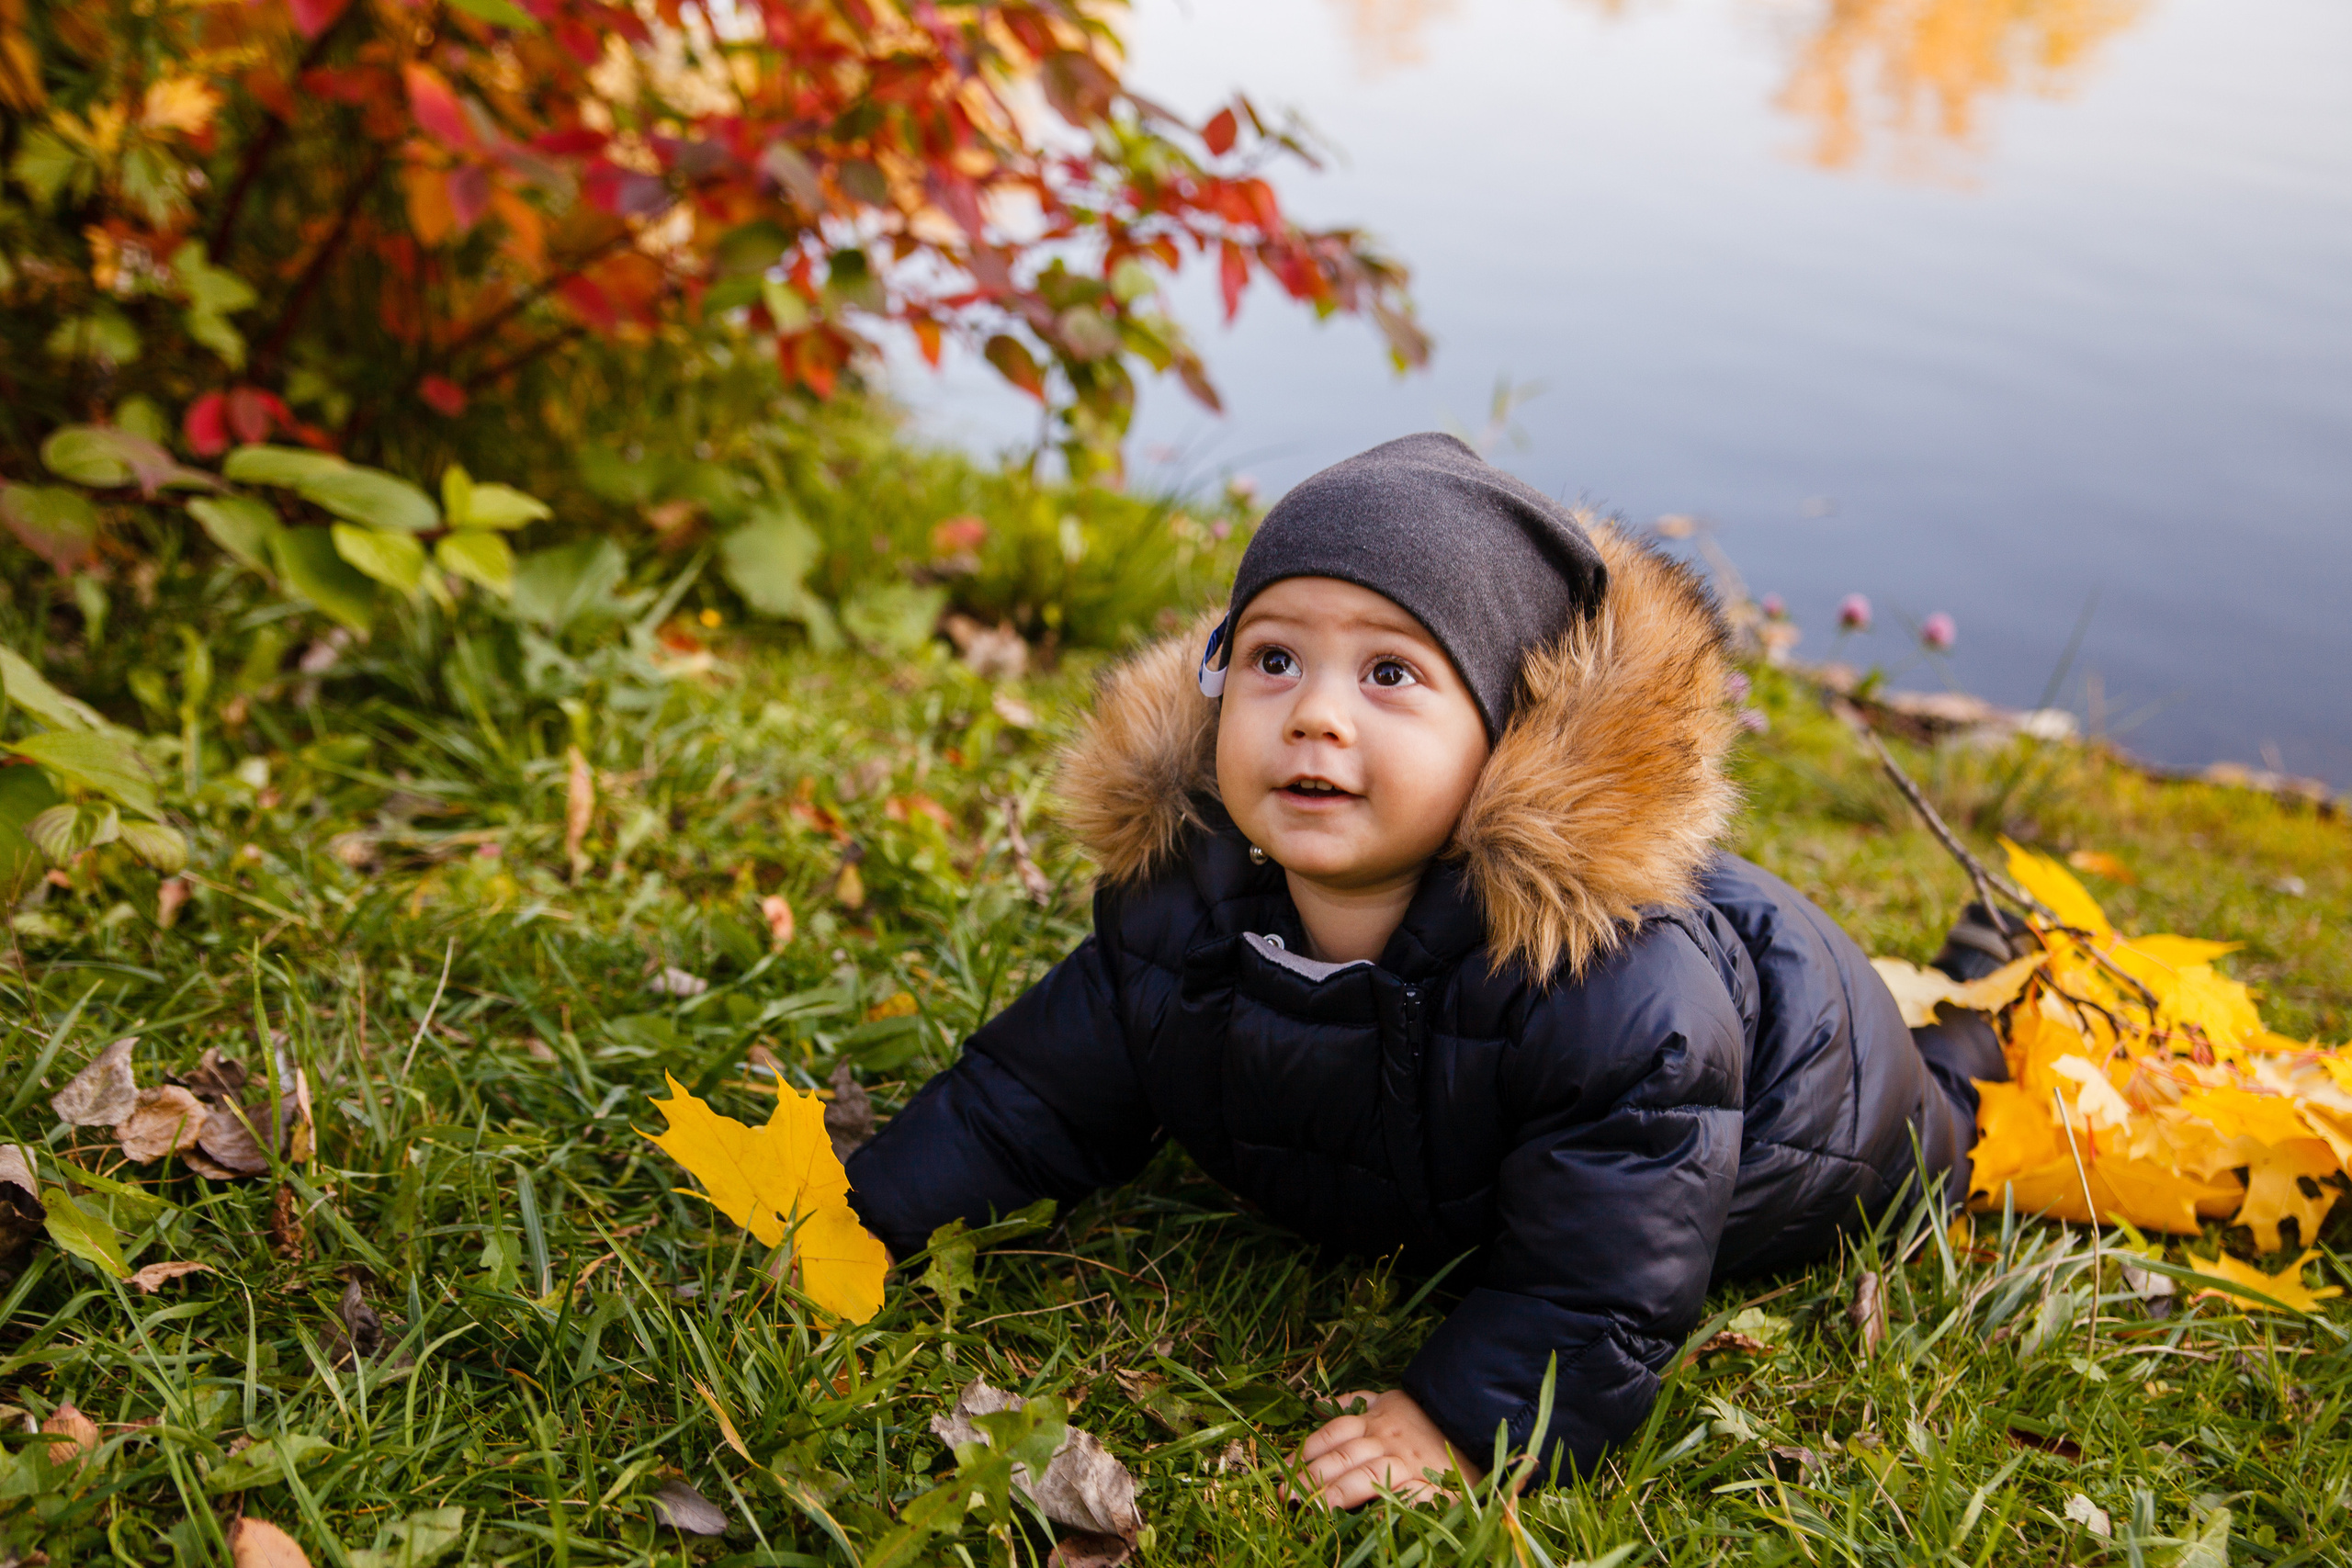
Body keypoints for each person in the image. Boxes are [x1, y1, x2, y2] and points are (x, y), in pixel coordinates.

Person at [843, 433, 2012, 1506]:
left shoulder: (1613, 995)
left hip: (1811, 1100)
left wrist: (1465, 1423)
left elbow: (1602, 1274)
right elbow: (1033, 1098)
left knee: (1951, 1113)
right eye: (1272, 658)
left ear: (1507, 736)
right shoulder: (1180, 904)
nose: (1314, 714)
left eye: (1390, 675)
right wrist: (872, 1218)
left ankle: (1991, 993)